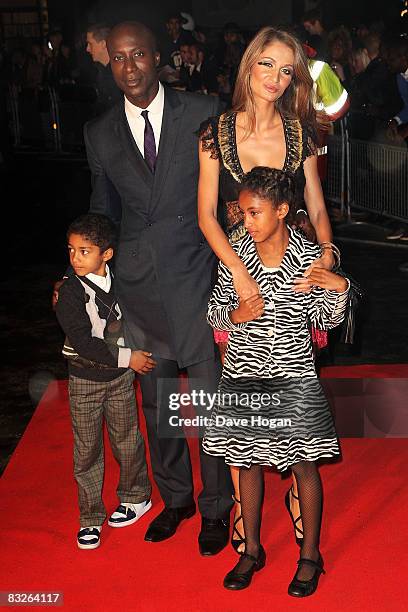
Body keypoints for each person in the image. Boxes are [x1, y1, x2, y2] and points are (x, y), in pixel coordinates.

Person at [80, 21, 233, 555]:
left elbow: (227, 194)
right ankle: (177, 500)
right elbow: (105, 210)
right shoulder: (99, 132)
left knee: (212, 401)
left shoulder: (202, 111)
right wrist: (88, 275)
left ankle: (216, 507)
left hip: (200, 278)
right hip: (138, 288)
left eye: (138, 54)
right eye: (119, 58)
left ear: (157, 56)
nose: (129, 67)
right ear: (110, 64)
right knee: (159, 400)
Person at [198, 26, 337, 554]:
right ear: (249, 66)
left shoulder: (301, 133)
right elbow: (206, 216)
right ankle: (246, 513)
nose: (277, 79)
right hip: (239, 269)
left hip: (294, 275)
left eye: (287, 70)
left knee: (297, 382)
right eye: (267, 66)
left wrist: (327, 253)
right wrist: (236, 272)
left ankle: (301, 499)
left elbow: (318, 206)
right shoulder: (216, 133)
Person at [203, 167, 349, 594]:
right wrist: (233, 316)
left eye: (254, 213)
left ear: (282, 210)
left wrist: (337, 290)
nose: (245, 221)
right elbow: (214, 311)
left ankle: (310, 556)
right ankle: (251, 550)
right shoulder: (235, 252)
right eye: (244, 213)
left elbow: (325, 322)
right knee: (245, 463)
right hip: (244, 374)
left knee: (305, 467)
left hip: (294, 375)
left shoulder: (307, 256)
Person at [55, 213, 154, 550]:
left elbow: (139, 316)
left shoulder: (123, 281)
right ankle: (91, 518)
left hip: (121, 378)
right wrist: (131, 358)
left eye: (84, 251)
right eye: (71, 250)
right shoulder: (70, 292)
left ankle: (136, 497)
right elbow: (84, 341)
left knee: (128, 439)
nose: (74, 257)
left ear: (106, 254)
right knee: (87, 449)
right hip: (85, 379)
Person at [86, 23, 122, 112]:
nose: (87, 49)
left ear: (103, 44)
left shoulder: (120, 71)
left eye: (90, 44)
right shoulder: (100, 71)